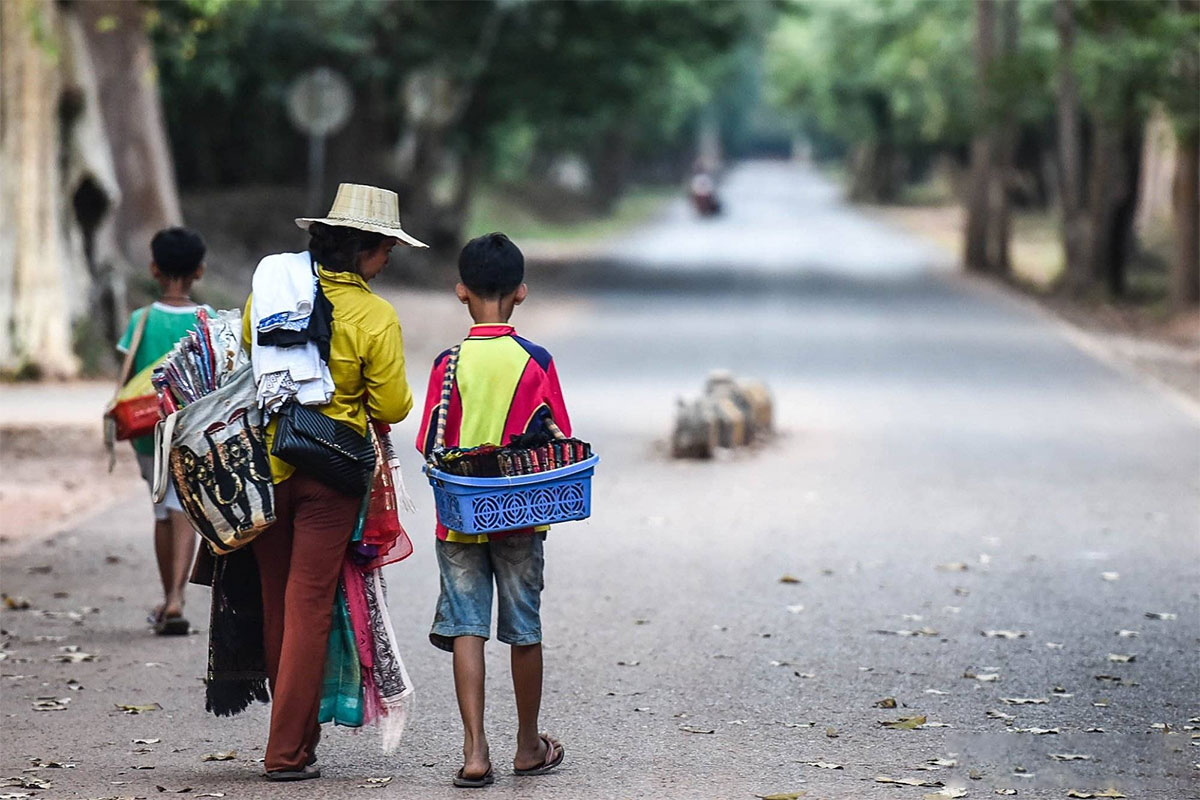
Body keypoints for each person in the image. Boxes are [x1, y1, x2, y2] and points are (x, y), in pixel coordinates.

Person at [241, 183, 420, 781]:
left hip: (268, 465)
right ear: (364, 248)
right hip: (331, 474)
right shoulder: (375, 316)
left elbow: (249, 351)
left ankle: (296, 740)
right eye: (386, 248)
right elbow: (391, 405)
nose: (388, 259)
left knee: (278, 602)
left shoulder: (272, 291)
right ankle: (286, 753)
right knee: (310, 604)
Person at [416, 232, 570, 788]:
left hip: (459, 516)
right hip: (521, 513)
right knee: (524, 627)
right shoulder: (536, 362)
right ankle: (527, 745)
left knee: (466, 627)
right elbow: (560, 439)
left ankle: (475, 750)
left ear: (461, 291)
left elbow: (428, 443)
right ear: (521, 292)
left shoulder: (447, 363)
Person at [115, 227, 209, 636]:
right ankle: (176, 598)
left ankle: (168, 594)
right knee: (183, 507)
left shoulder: (141, 320)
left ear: (153, 268)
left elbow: (127, 374)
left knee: (161, 511)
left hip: (147, 430)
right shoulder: (207, 320)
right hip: (192, 429)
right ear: (199, 271)